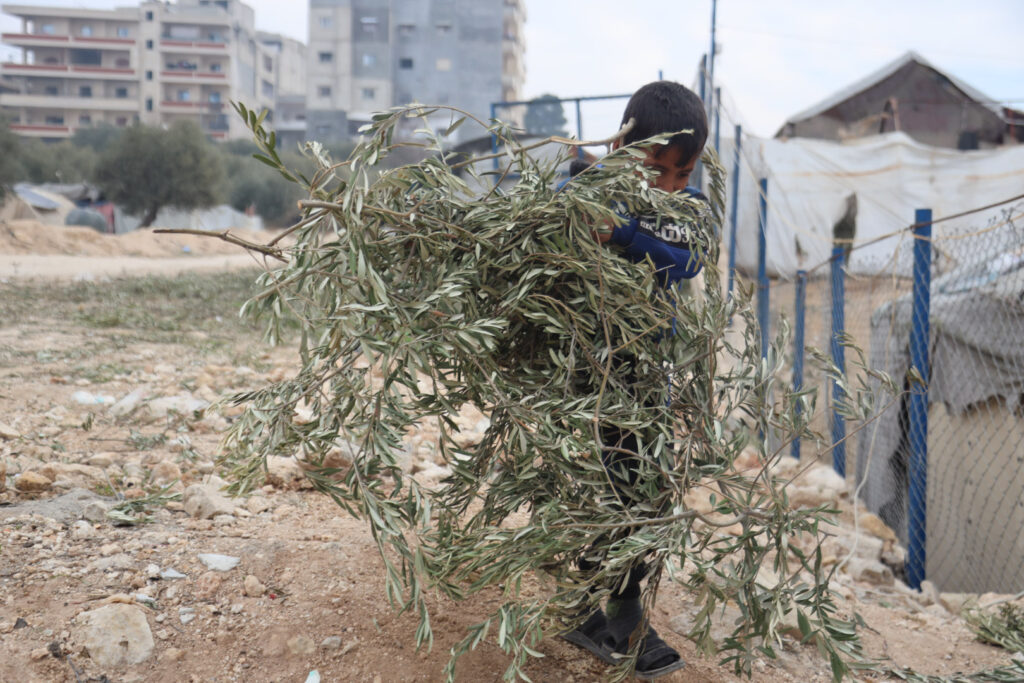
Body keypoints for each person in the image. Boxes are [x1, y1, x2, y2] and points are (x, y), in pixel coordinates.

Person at [559, 80, 710, 680]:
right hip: (584, 371)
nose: (671, 185)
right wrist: (583, 182)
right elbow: (563, 210)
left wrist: (622, 232)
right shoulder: (592, 190)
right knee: (596, 488)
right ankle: (604, 612)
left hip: (647, 375)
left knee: (644, 491)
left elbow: (688, 256)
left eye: (683, 172)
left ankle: (618, 611)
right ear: (624, 149)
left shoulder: (687, 209)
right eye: (658, 170)